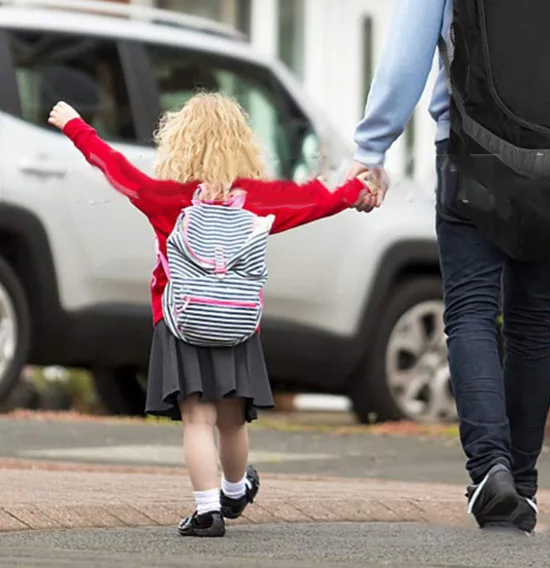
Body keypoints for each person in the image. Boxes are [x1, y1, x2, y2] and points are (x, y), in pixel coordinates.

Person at [347, 0, 550, 534]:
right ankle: (523, 487)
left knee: (472, 309)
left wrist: (372, 146)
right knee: (532, 319)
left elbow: (408, 53)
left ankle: (490, 472)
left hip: (473, 145)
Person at [48, 93, 376, 538]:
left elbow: (114, 167)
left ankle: (207, 511)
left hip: (181, 323)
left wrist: (75, 125)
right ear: (242, 145)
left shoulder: (165, 197)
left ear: (180, 143)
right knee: (232, 420)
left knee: (197, 420)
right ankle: (236, 489)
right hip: (239, 326)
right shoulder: (260, 200)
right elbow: (316, 201)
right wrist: (359, 191)